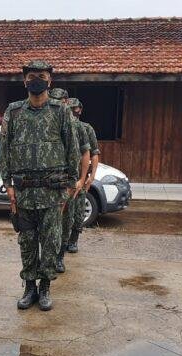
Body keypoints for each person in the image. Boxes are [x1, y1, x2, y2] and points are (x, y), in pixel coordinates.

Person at [0, 60, 80, 311]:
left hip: (52, 192)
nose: (36, 80)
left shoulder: (60, 111)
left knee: (52, 241)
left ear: (49, 81)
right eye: (32, 76)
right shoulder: (13, 112)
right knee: (27, 242)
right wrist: (8, 184)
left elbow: (72, 149)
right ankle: (29, 287)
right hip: (24, 192)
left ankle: (45, 288)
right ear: (25, 81)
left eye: (41, 76)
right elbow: (4, 149)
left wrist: (70, 185)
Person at [57, 98, 90, 274]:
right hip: (49, 183)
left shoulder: (78, 127)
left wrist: (83, 179)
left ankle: (60, 257)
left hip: (69, 182)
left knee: (66, 221)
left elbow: (87, 153)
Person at [68, 99, 101, 253]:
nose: (72, 111)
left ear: (80, 110)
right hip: (64, 177)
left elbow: (94, 153)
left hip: (80, 178)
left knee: (78, 211)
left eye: (74, 108)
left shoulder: (86, 129)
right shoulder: (64, 126)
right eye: (68, 108)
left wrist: (91, 176)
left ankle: (73, 241)